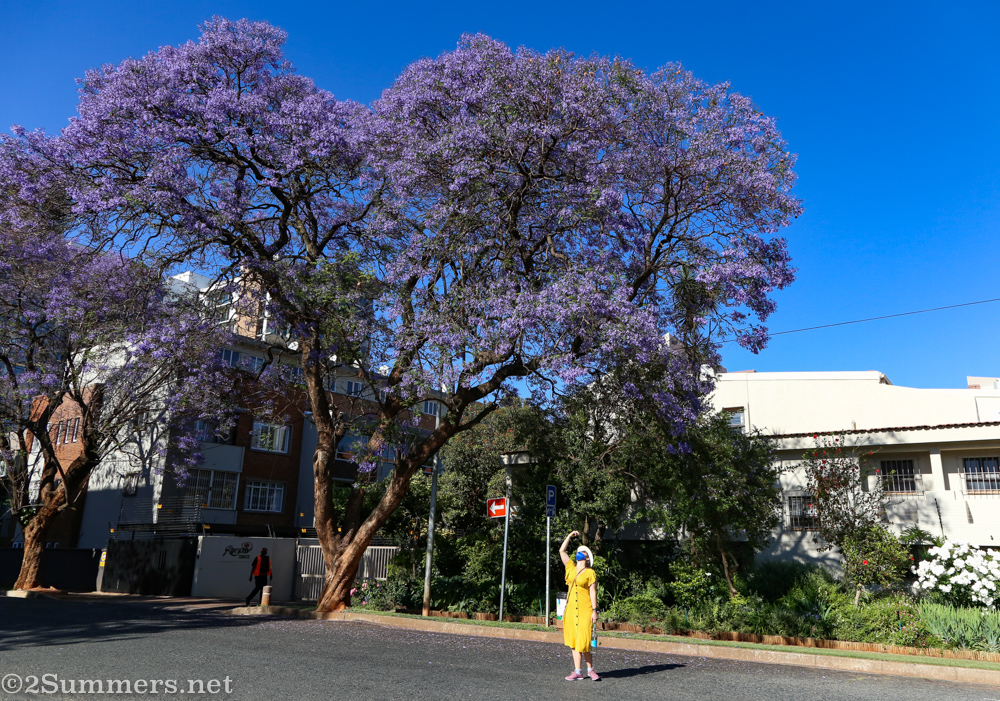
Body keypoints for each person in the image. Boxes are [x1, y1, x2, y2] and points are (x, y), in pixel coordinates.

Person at [559, 531, 599, 681]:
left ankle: (590, 670)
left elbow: (593, 592)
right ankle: (578, 671)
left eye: (583, 552)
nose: (579, 553)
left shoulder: (590, 573)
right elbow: (562, 551)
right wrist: (569, 536)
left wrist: (594, 611)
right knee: (574, 641)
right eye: (578, 551)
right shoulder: (570, 567)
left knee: (584, 640)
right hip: (570, 610)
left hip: (585, 610)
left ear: (587, 558)